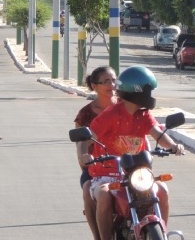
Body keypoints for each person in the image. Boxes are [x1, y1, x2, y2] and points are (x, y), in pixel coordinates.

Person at [83, 66, 184, 240]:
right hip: (106, 174)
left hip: (136, 174)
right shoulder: (111, 114)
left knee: (162, 189)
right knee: (105, 196)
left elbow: (157, 134)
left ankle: (163, 234)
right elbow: (88, 138)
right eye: (148, 90)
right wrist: (85, 154)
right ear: (137, 91)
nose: (151, 95)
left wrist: (173, 145)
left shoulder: (144, 115)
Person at [74, 66, 119, 240]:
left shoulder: (125, 106)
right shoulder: (85, 114)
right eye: (106, 81)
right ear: (95, 86)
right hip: (97, 167)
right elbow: (80, 143)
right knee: (87, 189)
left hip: (125, 163)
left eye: (114, 80)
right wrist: (84, 158)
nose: (111, 84)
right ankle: (99, 237)